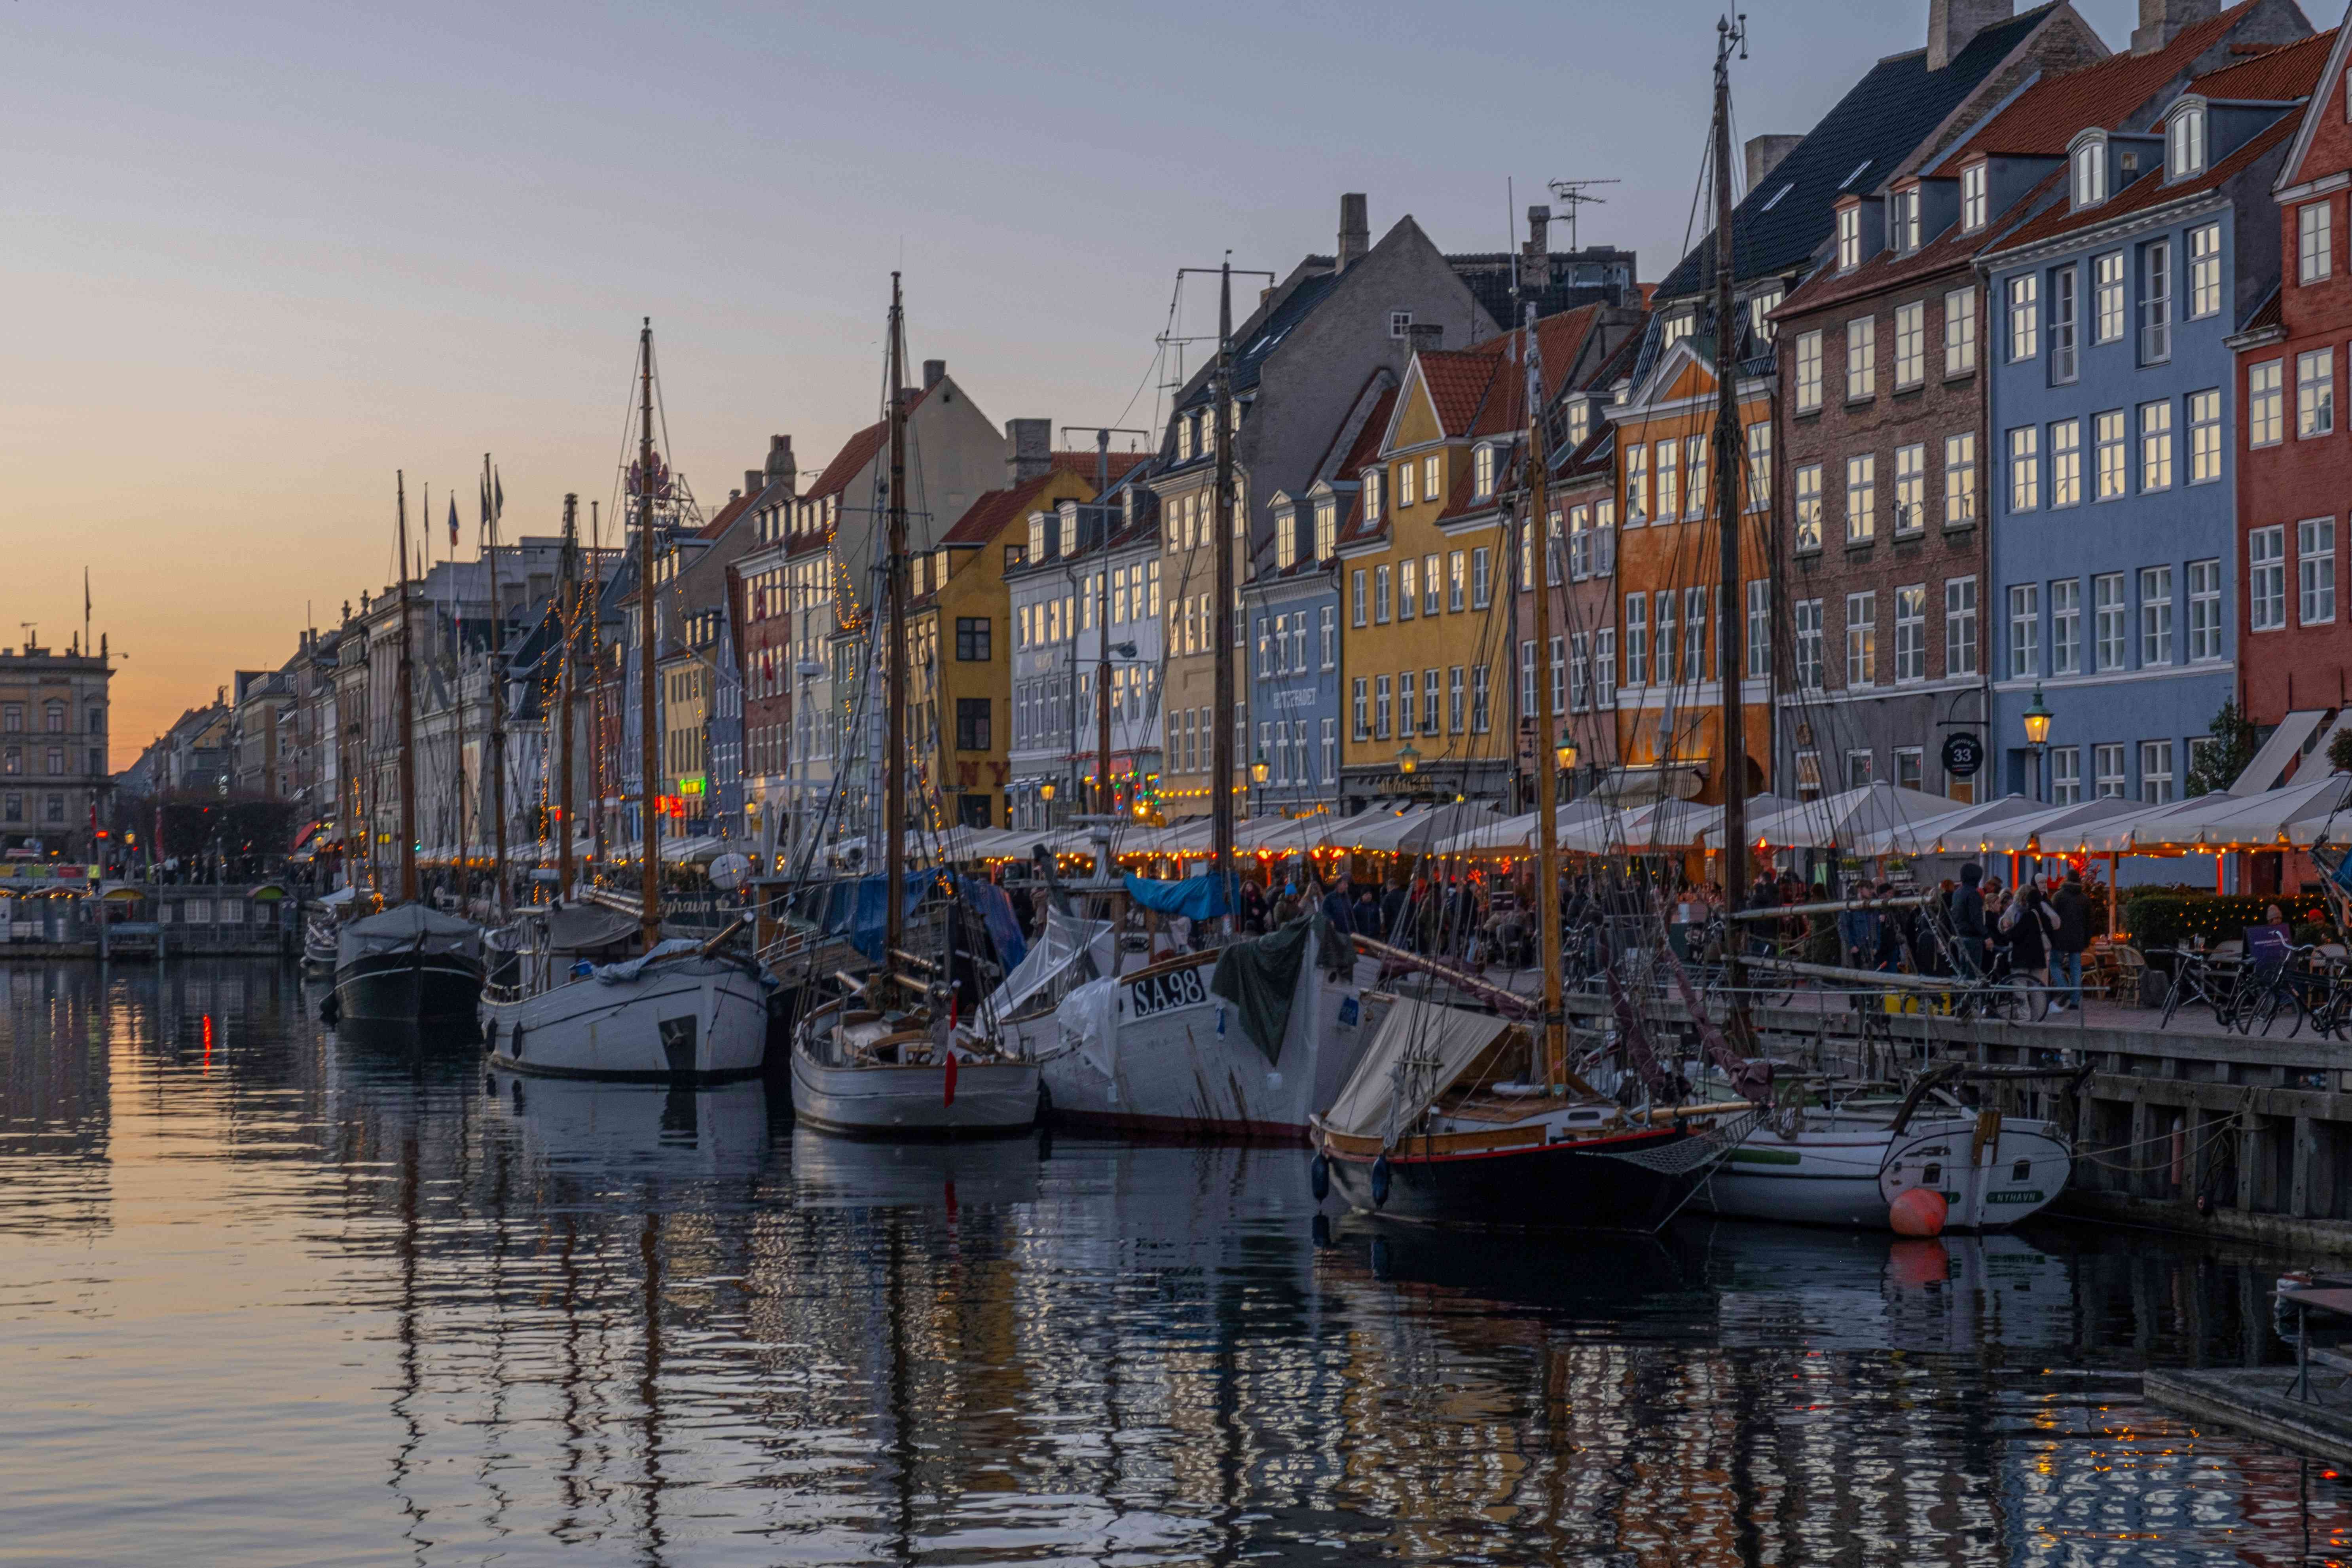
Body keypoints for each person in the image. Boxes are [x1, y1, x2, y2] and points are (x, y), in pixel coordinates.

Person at [1999, 874, 2057, 1009]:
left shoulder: (2023, 915)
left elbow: (2013, 934)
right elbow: (2056, 924)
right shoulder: (2043, 913)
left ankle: (2025, 1015)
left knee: (2020, 987)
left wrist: (2007, 929)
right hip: (2039, 957)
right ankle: (2038, 1015)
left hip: (2021, 957)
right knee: (2036, 988)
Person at [2049, 870, 2092, 1012]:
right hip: (2078, 939)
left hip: (2060, 938)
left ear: (2066, 880)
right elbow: (2089, 922)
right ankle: (2075, 1001)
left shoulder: (2059, 896)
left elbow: (2053, 918)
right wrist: (2087, 940)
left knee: (2054, 964)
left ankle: (2064, 987)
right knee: (2076, 969)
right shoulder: (2085, 899)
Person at [1952, 864, 1988, 979]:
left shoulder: (1957, 893)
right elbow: (1976, 918)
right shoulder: (1973, 894)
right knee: (1973, 973)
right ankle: (1972, 996)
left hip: (1960, 936)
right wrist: (1986, 935)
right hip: (1973, 938)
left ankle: (1962, 997)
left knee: (1963, 973)